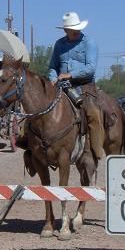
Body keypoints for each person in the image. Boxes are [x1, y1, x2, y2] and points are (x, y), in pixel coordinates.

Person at [48, 11, 105, 161]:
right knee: (41, 106)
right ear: (66, 30)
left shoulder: (89, 43)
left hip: (85, 85)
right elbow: (53, 66)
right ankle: (28, 141)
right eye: (72, 29)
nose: (76, 31)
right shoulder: (59, 44)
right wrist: (53, 78)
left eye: (77, 29)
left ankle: (96, 150)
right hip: (62, 86)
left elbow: (91, 68)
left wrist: (70, 75)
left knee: (93, 114)